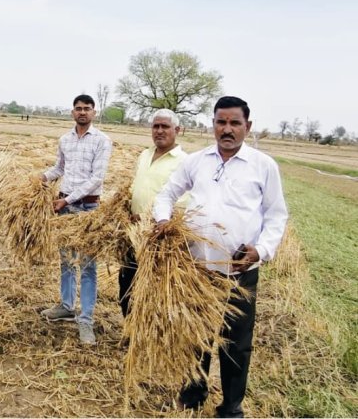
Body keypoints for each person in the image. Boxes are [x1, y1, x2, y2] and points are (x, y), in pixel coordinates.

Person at [153, 96, 288, 417]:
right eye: (221, 122)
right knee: (195, 335)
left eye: (234, 123)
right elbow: (167, 193)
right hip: (197, 269)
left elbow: (276, 215)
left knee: (236, 344)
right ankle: (193, 393)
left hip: (239, 272)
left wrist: (261, 250)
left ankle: (231, 407)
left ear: (247, 126)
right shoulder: (197, 161)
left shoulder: (263, 166)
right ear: (213, 124)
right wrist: (163, 221)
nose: (227, 129)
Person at [40, 94, 112, 345]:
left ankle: (86, 320)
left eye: (87, 109)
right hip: (64, 207)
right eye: (78, 108)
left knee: (88, 265)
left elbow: (97, 178)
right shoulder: (65, 139)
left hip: (88, 207)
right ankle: (66, 306)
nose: (82, 112)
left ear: (94, 112)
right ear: (72, 112)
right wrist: (40, 178)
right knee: (66, 260)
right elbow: (59, 168)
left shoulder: (102, 140)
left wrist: (68, 200)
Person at [119, 109, 188, 317]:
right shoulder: (145, 155)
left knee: (151, 293)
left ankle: (146, 331)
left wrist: (151, 219)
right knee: (126, 288)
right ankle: (130, 329)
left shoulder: (184, 161)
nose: (159, 131)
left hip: (159, 239)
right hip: (133, 235)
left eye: (165, 126)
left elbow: (183, 202)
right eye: (155, 126)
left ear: (177, 130)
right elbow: (135, 187)